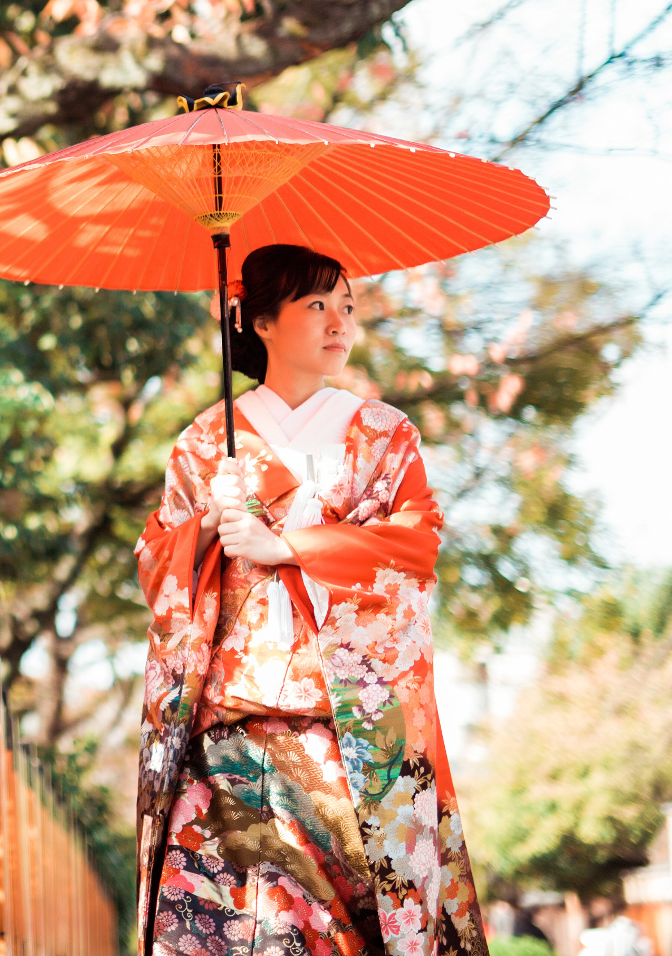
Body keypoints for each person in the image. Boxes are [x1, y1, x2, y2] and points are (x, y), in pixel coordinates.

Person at [133, 242, 487, 956]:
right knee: (211, 929)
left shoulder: (384, 434)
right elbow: (155, 567)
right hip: (225, 729)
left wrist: (292, 547)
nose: (339, 323)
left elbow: (414, 546)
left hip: (339, 734)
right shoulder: (208, 441)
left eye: (347, 307)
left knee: (334, 934)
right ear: (259, 322)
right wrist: (207, 519)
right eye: (316, 305)